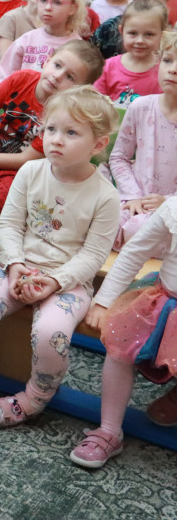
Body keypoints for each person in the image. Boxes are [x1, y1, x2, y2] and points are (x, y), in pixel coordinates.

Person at [0, 86, 120, 427]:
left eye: (71, 133)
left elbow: (93, 255)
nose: (56, 139)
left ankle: (35, 396)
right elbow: (10, 224)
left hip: (68, 281)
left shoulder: (106, 196)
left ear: (98, 145)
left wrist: (55, 281)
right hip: (18, 265)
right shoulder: (31, 172)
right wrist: (13, 265)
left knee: (50, 333)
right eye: (52, 128)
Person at [69, 196, 177, 468]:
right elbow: (135, 252)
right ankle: (108, 429)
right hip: (164, 301)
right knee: (119, 347)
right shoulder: (173, 208)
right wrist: (105, 301)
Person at [0, 40, 104, 217]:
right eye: (57, 65)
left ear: (80, 89)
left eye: (70, 77)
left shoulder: (64, 113)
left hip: (23, 172)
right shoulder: (21, 79)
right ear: (47, 60)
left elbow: (26, 160)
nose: (58, 76)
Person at [106, 35, 177, 255]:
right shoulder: (141, 107)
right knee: (103, 221)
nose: (173, 69)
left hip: (170, 209)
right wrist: (133, 196)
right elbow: (119, 157)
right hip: (134, 199)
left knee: (144, 229)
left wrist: (167, 202)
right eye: (168, 60)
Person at [0, 0, 87, 83]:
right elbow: (6, 77)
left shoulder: (77, 48)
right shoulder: (25, 40)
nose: (48, 8)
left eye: (57, 2)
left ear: (73, 8)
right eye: (43, 0)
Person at [94, 0, 168, 105]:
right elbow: (96, 104)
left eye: (149, 34)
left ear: (163, 34)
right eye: (133, 33)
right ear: (122, 31)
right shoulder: (108, 67)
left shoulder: (166, 70)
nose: (140, 41)